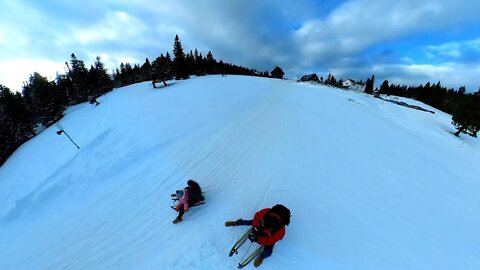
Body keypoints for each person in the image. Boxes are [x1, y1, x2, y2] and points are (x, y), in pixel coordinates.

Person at [225, 204, 291, 267]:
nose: (263, 226)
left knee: (268, 252)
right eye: (263, 223)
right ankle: (236, 223)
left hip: (269, 236)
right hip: (259, 225)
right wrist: (256, 227)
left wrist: (257, 239)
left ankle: (261, 257)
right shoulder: (265, 212)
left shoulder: (280, 232)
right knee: (247, 222)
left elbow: (270, 241)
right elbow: (256, 216)